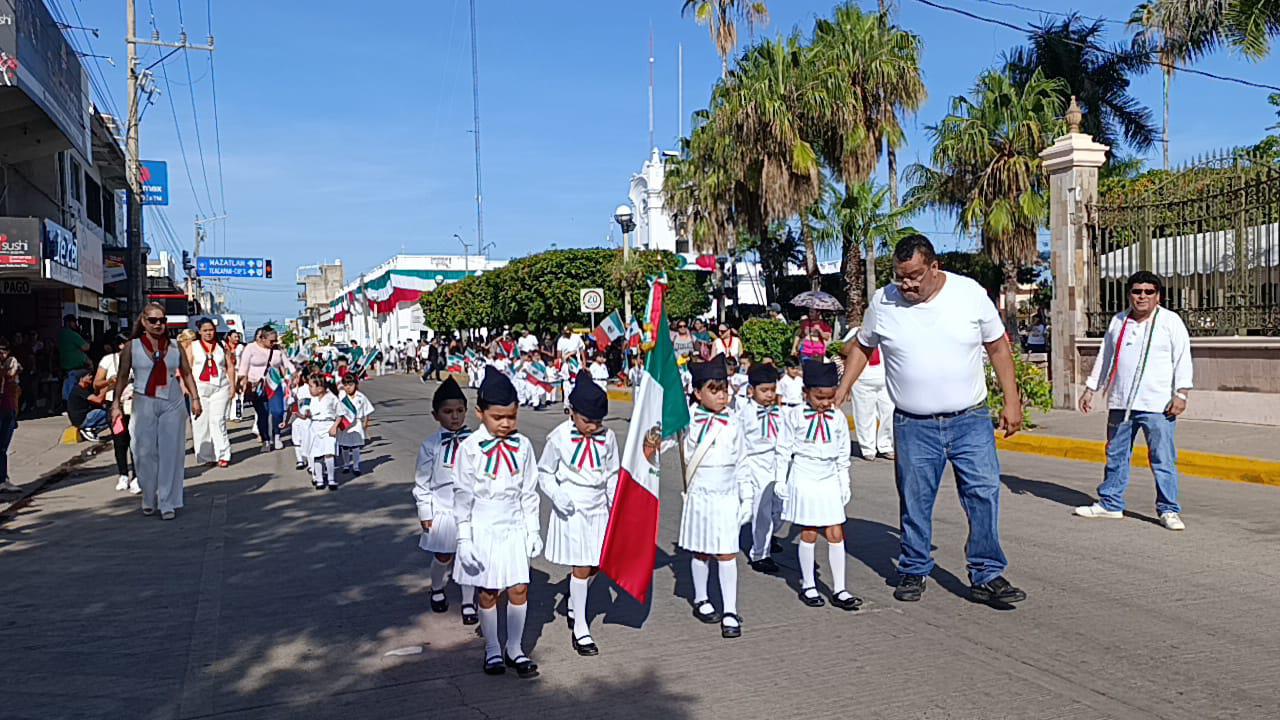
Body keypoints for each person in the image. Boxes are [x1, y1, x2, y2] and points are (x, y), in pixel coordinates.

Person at [834, 234, 1027, 606]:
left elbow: (998, 346)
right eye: (900, 276)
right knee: (915, 498)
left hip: (969, 419)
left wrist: (1012, 401)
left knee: (983, 494)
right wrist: (844, 387)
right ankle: (913, 566)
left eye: (914, 276)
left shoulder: (969, 294)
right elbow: (862, 345)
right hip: (913, 424)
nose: (906, 284)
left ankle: (986, 573)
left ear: (934, 267)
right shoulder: (884, 301)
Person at [1076, 271, 1193, 531]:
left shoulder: (1170, 321)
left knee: (1162, 458)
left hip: (1158, 405)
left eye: (1148, 292)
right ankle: (1110, 503)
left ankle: (1169, 509)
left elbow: (1183, 359)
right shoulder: (1119, 321)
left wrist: (1182, 394)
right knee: (1116, 454)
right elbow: (1105, 356)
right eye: (1136, 291)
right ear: (1129, 294)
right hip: (1121, 402)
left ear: (1158, 296)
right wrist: (1090, 389)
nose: (1142, 296)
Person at [452, 370, 541, 677]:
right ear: (480, 414)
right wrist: (464, 539)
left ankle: (514, 648)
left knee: (519, 588)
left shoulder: (524, 446)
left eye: (512, 417)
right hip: (483, 527)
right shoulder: (470, 448)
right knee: (489, 591)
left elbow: (529, 491)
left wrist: (534, 530)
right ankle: (492, 647)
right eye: (498, 417)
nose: (506, 424)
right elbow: (461, 496)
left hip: (513, 525)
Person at [538, 372, 619, 656]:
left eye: (599, 421)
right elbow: (544, 472)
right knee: (582, 566)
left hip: (598, 508)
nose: (594, 426)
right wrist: (557, 496)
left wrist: (613, 505)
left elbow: (611, 474)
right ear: (572, 413)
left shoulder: (607, 438)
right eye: (588, 421)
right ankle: (581, 627)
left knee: (597, 565)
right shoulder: (559, 437)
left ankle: (574, 602)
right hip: (572, 507)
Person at [779, 362, 860, 610]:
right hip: (804, 473)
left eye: (829, 397)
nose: (825, 403)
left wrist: (844, 482)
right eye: (819, 397)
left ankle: (840, 588)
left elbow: (843, 453)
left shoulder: (837, 418)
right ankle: (809, 584)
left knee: (836, 531)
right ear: (806, 394)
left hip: (828, 476)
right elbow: (784, 449)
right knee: (810, 530)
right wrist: (781, 479)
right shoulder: (794, 415)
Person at [111, 303, 202, 521]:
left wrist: (195, 399)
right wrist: (115, 403)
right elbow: (122, 376)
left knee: (171, 453)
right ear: (143, 321)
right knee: (143, 452)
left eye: (162, 320)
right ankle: (149, 496)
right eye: (153, 320)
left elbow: (187, 373)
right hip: (143, 401)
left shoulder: (174, 346)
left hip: (172, 402)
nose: (159, 324)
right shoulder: (132, 347)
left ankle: (168, 501)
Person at [680, 356, 749, 639]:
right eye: (714, 389)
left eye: (724, 389)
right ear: (697, 393)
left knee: (727, 551)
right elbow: (660, 444)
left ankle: (730, 610)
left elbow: (743, 460)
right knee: (701, 549)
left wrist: (748, 497)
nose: (722, 395)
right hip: (701, 492)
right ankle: (701, 598)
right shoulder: (686, 420)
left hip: (727, 493)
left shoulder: (734, 420)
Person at [413, 377, 478, 625]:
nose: (455, 417)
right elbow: (422, 480)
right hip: (442, 508)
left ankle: (469, 601)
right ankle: (437, 587)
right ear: (435, 415)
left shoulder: (474, 441)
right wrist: (425, 513)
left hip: (470, 509)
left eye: (460, 411)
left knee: (468, 555)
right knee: (444, 556)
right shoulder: (431, 445)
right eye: (448, 412)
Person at [738, 364, 786, 574]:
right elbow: (739, 442)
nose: (769, 395)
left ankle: (769, 535)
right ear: (751, 390)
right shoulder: (745, 413)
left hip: (777, 461)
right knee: (762, 509)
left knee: (781, 507)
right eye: (763, 390)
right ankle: (760, 554)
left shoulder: (779, 412)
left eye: (772, 390)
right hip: (755, 463)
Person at [238, 326, 295, 452]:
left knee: (278, 411)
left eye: (275, 340)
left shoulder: (277, 350)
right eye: (271, 341)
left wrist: (294, 375)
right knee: (262, 414)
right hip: (256, 386)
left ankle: (277, 435)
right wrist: (241, 384)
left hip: (274, 384)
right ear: (262, 338)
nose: (274, 343)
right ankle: (266, 440)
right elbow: (243, 367)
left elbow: (288, 364)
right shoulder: (251, 348)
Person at [95, 333, 138, 492]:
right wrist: (111, 381)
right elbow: (97, 383)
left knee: (136, 440)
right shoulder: (109, 360)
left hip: (135, 404)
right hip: (115, 405)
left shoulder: (140, 360)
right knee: (120, 441)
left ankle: (137, 475)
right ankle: (123, 474)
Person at [191, 319, 235, 468]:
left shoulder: (221, 346)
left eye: (211, 330)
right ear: (199, 332)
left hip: (220, 387)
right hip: (199, 389)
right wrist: (186, 389)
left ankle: (223, 454)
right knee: (201, 423)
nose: (209, 333)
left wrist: (232, 386)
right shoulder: (193, 346)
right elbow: (185, 369)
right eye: (205, 330)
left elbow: (230, 367)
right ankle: (205, 455)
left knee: (218, 421)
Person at [846, 327, 894, 461]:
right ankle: (868, 448)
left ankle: (886, 445)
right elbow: (842, 350)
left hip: (884, 379)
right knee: (864, 415)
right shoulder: (856, 330)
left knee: (889, 412)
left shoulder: (886, 329)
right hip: (862, 380)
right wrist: (856, 338)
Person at [336, 373, 375, 475]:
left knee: (355, 446)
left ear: (356, 384)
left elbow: (367, 411)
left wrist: (366, 423)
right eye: (345, 385)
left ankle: (356, 466)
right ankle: (346, 464)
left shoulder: (361, 397)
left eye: (350, 384)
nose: (348, 387)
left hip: (357, 423)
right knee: (344, 446)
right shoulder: (342, 398)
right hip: (345, 424)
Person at [307, 375, 340, 490]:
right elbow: (310, 414)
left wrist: (335, 426)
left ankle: (331, 479)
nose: (309, 389)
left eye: (311, 386)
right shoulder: (311, 399)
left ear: (320, 388)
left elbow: (340, 414)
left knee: (329, 453)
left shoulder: (332, 398)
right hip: (315, 427)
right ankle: (320, 479)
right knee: (317, 455)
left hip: (328, 426)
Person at [0, 339, 22, 493]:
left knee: (3, 447)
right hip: (4, 409)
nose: (4, 354)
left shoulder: (9, 366)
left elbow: (16, 393)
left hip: (9, 408)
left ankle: (3, 478)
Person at [59, 314, 92, 405]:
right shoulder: (72, 334)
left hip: (65, 368)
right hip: (76, 368)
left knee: (67, 388)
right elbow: (86, 347)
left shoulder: (61, 334)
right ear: (69, 323)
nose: (75, 324)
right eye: (74, 322)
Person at [68, 372, 110, 440]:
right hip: (81, 419)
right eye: (88, 375)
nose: (91, 377)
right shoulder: (79, 389)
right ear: (81, 379)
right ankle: (88, 429)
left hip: (83, 417)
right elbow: (98, 400)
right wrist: (108, 387)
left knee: (111, 417)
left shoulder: (85, 388)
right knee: (110, 415)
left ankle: (91, 430)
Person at [285, 370, 313, 472]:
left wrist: (306, 414)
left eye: (296, 377)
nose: (294, 380)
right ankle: (300, 459)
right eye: (293, 378)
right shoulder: (293, 391)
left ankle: (311, 463)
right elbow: (291, 406)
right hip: (297, 420)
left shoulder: (308, 389)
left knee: (308, 441)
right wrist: (287, 420)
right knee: (297, 440)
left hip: (308, 420)